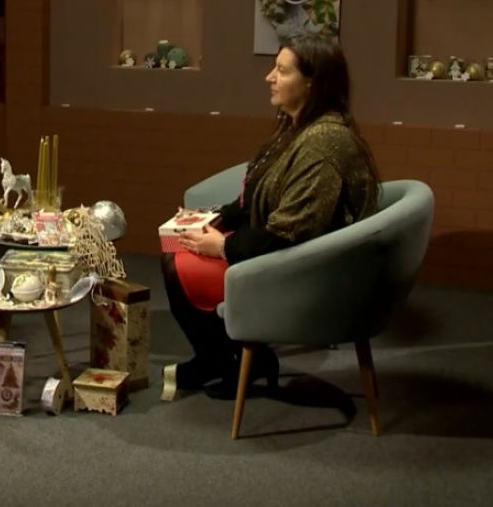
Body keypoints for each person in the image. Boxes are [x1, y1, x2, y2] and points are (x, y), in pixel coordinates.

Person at [162, 35, 381, 400]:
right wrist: (211, 217)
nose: (269, 77)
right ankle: (220, 358)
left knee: (177, 266)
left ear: (311, 83)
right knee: (177, 251)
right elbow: (259, 196)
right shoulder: (302, 128)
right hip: (289, 255)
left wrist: (224, 247)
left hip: (309, 273)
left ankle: (235, 359)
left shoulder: (323, 144)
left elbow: (289, 232)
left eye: (282, 70)